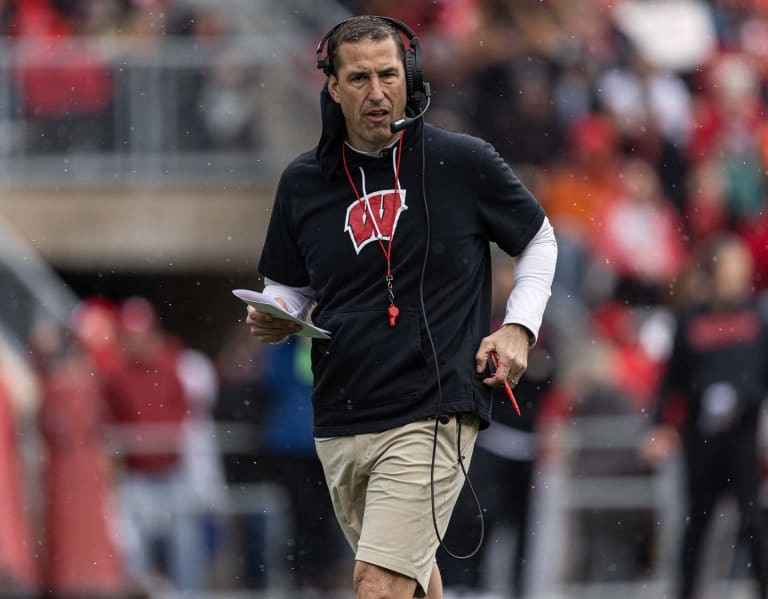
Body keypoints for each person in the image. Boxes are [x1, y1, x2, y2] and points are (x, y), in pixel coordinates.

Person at [246, 15, 557, 599]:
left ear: (409, 77)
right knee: (410, 582)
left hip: (432, 405)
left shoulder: (461, 161)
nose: (377, 91)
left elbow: (539, 238)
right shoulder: (303, 181)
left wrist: (518, 327)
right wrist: (274, 310)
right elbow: (288, 284)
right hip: (340, 412)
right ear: (332, 87)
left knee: (377, 583)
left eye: (389, 74)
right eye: (358, 77)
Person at [641, 234, 768, 599]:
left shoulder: (757, 318)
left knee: (753, 523)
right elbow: (671, 382)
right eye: (731, 268)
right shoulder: (691, 321)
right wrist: (659, 426)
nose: (738, 276)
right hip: (701, 442)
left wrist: (742, 397)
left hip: (742, 439)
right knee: (696, 525)